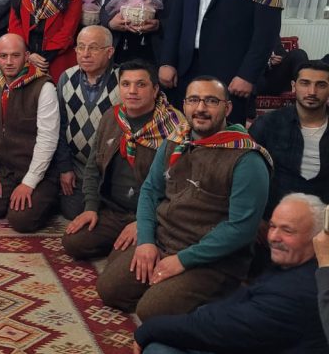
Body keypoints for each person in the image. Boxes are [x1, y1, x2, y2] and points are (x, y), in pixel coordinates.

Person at [97, 76, 272, 320]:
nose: (200, 108)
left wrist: (182, 260)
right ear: (185, 105)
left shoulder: (247, 158)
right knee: (109, 290)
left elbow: (241, 228)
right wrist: (146, 241)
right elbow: (150, 191)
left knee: (151, 311)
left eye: (211, 101)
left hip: (213, 258)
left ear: (227, 108)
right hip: (164, 240)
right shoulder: (176, 140)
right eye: (193, 100)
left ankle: (223, 295)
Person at [134, 194, 329, 354]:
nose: (273, 237)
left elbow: (220, 329)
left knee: (158, 348)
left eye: (287, 230)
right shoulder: (296, 265)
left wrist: (149, 329)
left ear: (317, 238)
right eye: (272, 226)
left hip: (242, 338)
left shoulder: (298, 290)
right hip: (248, 335)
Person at [62, 60, 186, 259]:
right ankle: (119, 244)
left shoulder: (175, 128)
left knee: (122, 266)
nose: (132, 91)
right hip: (113, 210)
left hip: (152, 216)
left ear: (155, 90)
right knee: (73, 242)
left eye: (141, 84)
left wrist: (144, 222)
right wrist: (91, 208)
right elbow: (93, 167)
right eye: (126, 84)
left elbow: (178, 190)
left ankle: (138, 245)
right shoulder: (112, 117)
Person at [0, 34, 60, 232]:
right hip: (5, 167)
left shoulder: (44, 87)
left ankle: (49, 198)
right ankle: (12, 195)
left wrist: (29, 183)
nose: (9, 62)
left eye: (15, 55)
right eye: (3, 56)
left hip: (38, 170)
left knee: (21, 221)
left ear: (27, 56)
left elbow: (47, 140)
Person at [54, 26, 121, 219]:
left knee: (112, 211)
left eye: (93, 48)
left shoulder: (123, 80)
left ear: (109, 51)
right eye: (81, 47)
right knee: (73, 211)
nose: (85, 54)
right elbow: (59, 127)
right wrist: (65, 168)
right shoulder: (67, 78)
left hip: (111, 170)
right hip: (77, 167)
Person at [250, 61, 329, 215]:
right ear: (294, 86)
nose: (312, 91)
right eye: (305, 83)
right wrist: (256, 217)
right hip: (274, 216)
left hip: (323, 218)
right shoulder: (269, 123)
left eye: (321, 85)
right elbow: (247, 171)